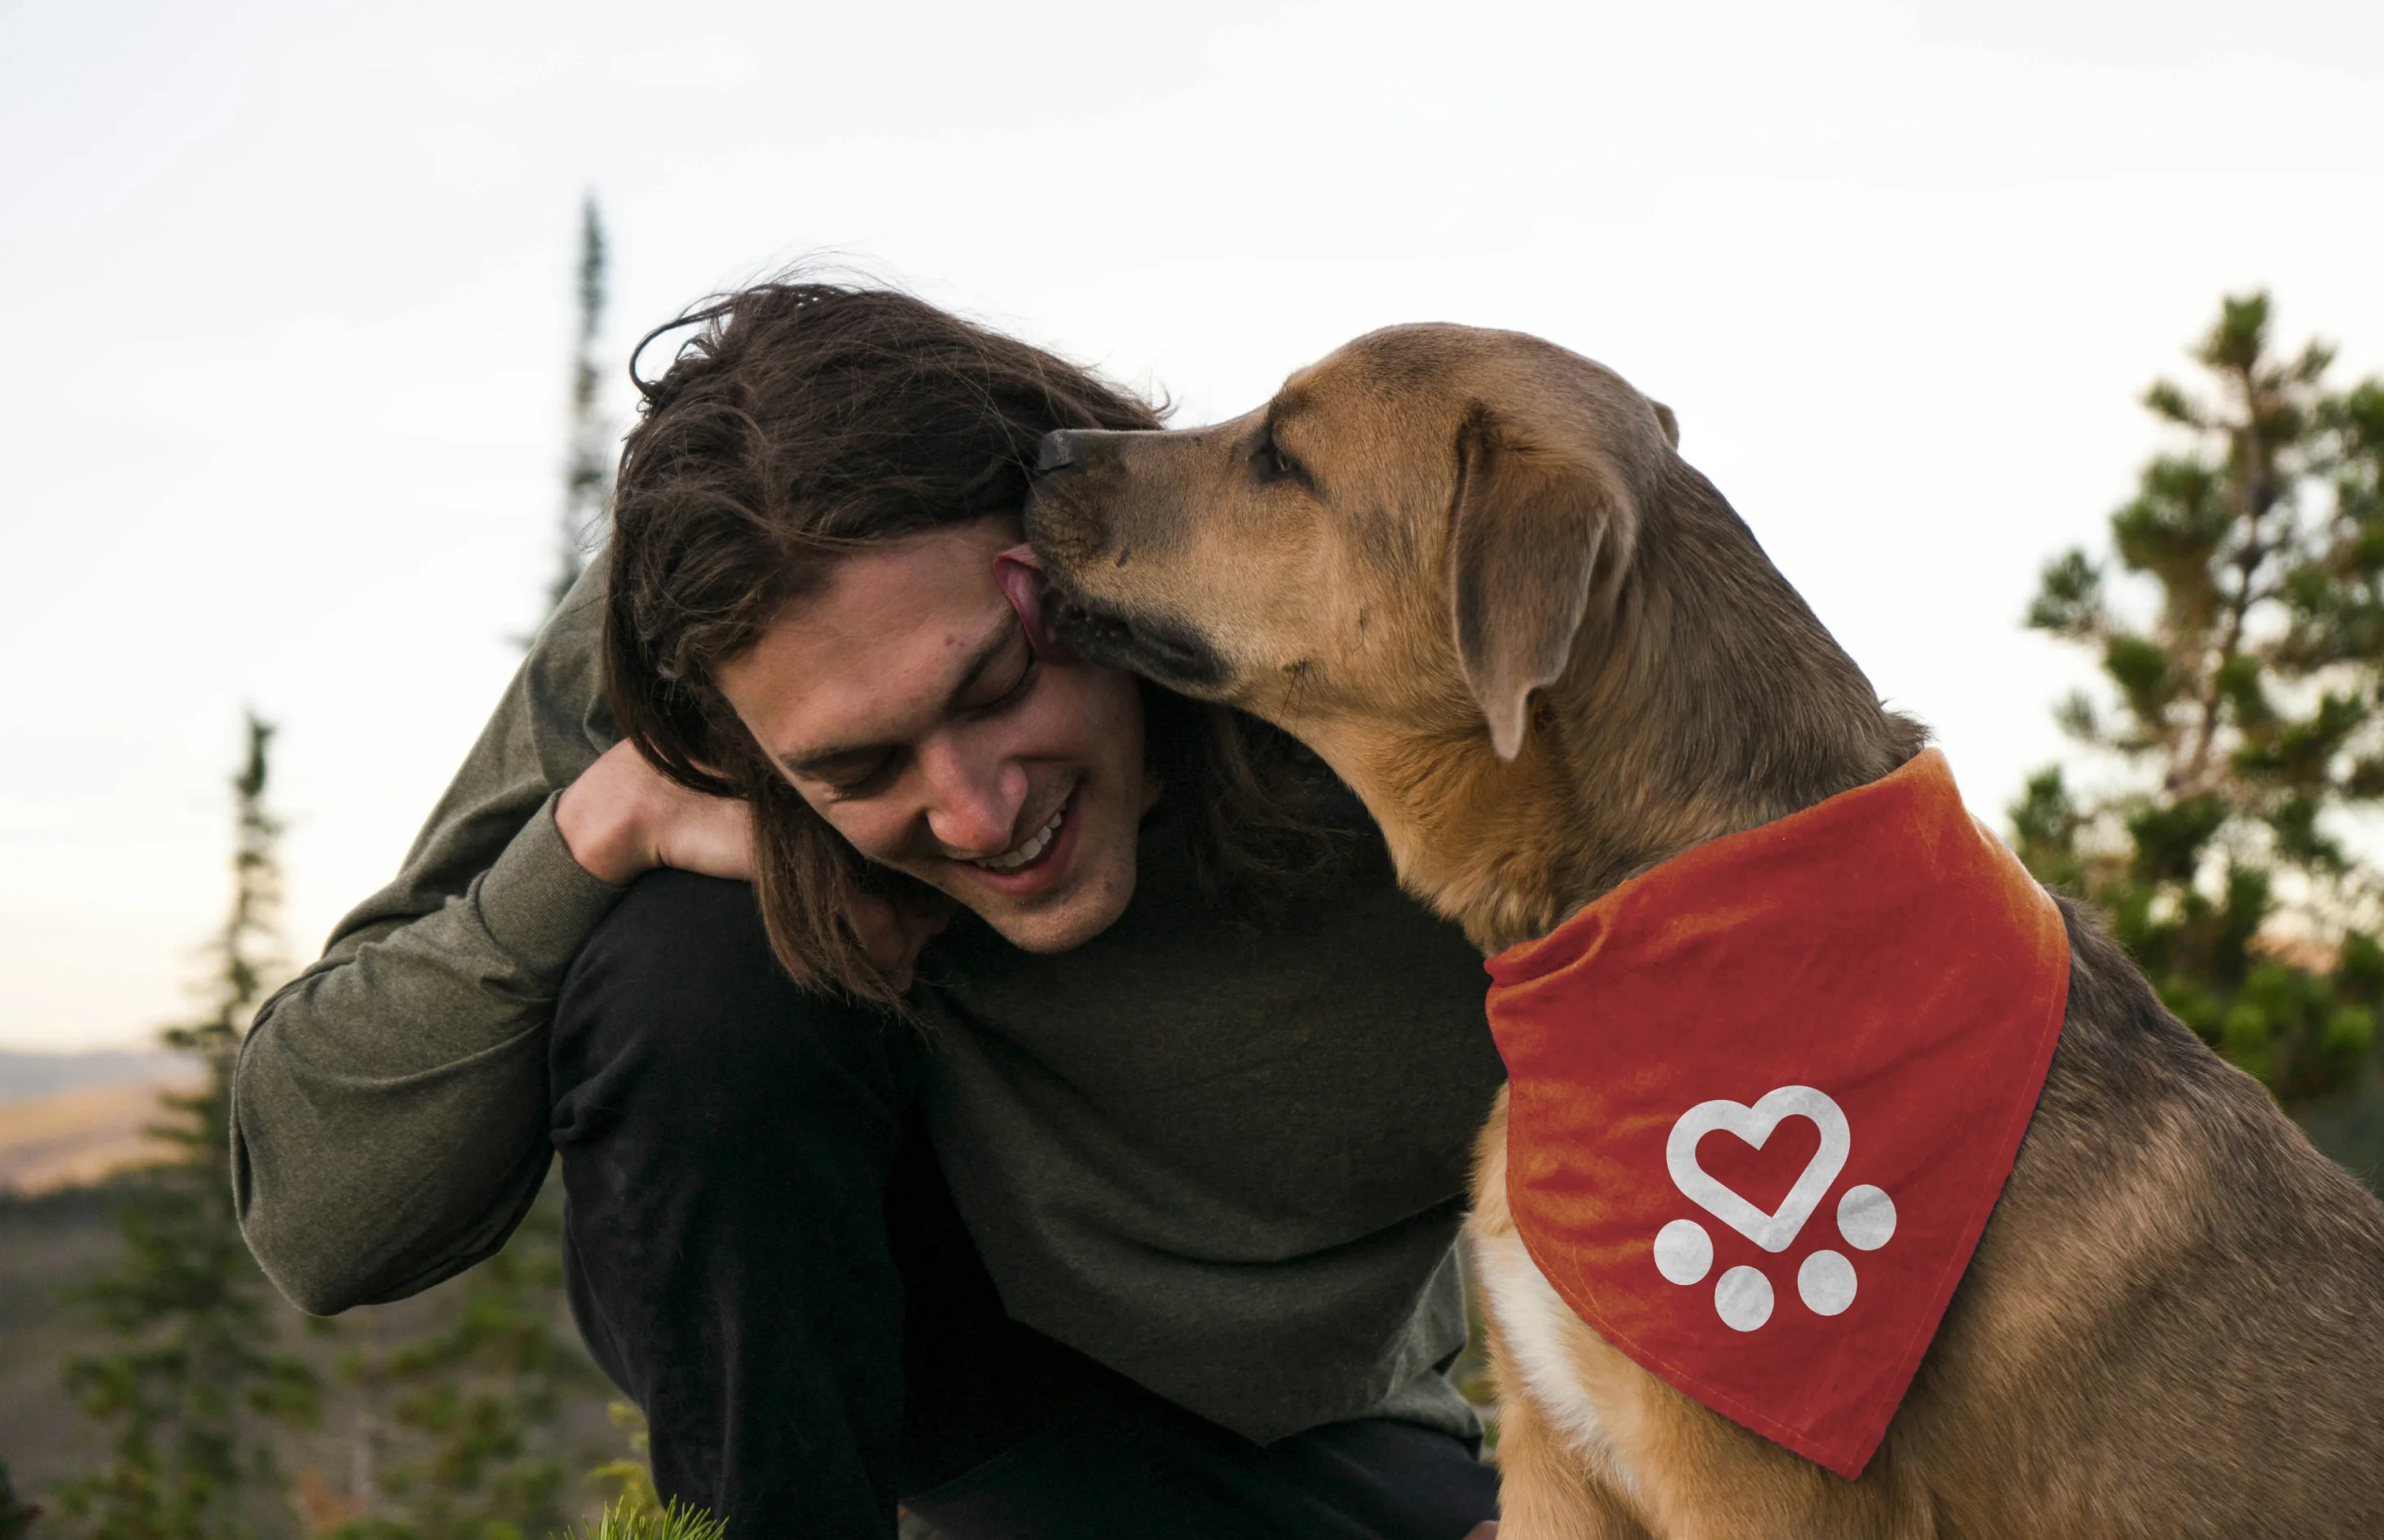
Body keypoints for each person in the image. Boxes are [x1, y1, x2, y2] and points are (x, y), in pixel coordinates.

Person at [230, 284, 1509, 1539]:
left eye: (1001, 682)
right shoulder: (695, 629)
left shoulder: (1384, 688)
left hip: (1291, 1441)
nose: (977, 811)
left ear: (1080, 544)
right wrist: (594, 829)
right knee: (687, 969)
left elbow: (1702, 1128)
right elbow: (316, 1213)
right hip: (904, 1380)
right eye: (858, 768)